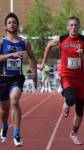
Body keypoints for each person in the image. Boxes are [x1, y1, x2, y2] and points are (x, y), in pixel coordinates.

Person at [39, 16, 84, 145]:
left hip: (80, 79)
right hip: (66, 76)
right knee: (71, 98)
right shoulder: (62, 38)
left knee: (80, 109)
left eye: (76, 25)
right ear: (68, 27)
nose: (73, 27)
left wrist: (82, 55)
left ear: (79, 27)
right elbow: (49, 45)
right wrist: (43, 62)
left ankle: (74, 133)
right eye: (71, 25)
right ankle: (67, 104)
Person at [0, 13, 37, 146]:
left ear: (18, 25)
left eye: (14, 22)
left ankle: (16, 133)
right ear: (5, 26)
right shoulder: (2, 41)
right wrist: (11, 55)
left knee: (14, 101)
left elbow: (32, 58)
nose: (12, 24)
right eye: (9, 22)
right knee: (4, 109)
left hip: (17, 78)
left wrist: (34, 74)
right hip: (2, 79)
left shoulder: (24, 42)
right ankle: (4, 126)